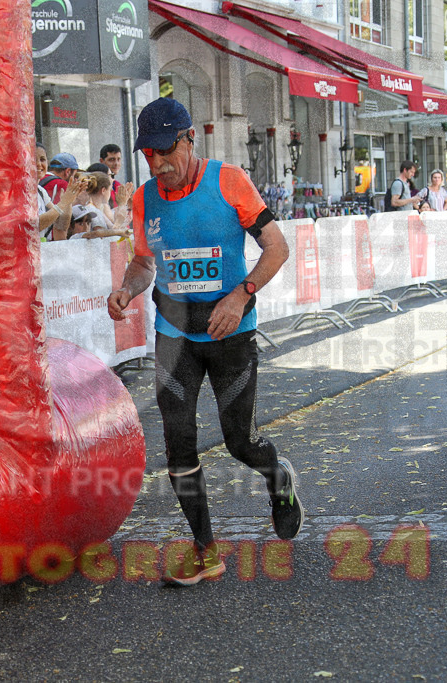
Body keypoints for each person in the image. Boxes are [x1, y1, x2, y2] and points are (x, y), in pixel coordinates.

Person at [106, 97, 302, 586]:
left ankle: (278, 477)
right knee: (177, 444)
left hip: (230, 335)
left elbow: (277, 246)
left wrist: (242, 293)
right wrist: (126, 289)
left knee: (239, 442)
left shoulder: (229, 181)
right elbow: (145, 262)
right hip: (174, 335)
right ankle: (204, 550)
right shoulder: (143, 199)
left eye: (164, 150)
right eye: (147, 154)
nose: (157, 163)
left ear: (189, 138)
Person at [34, 143, 79, 240]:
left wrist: (69, 200)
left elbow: (60, 224)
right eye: (32, 159)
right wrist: (64, 203)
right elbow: (33, 227)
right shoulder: (19, 191)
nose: (38, 164)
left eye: (42, 159)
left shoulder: (40, 191)